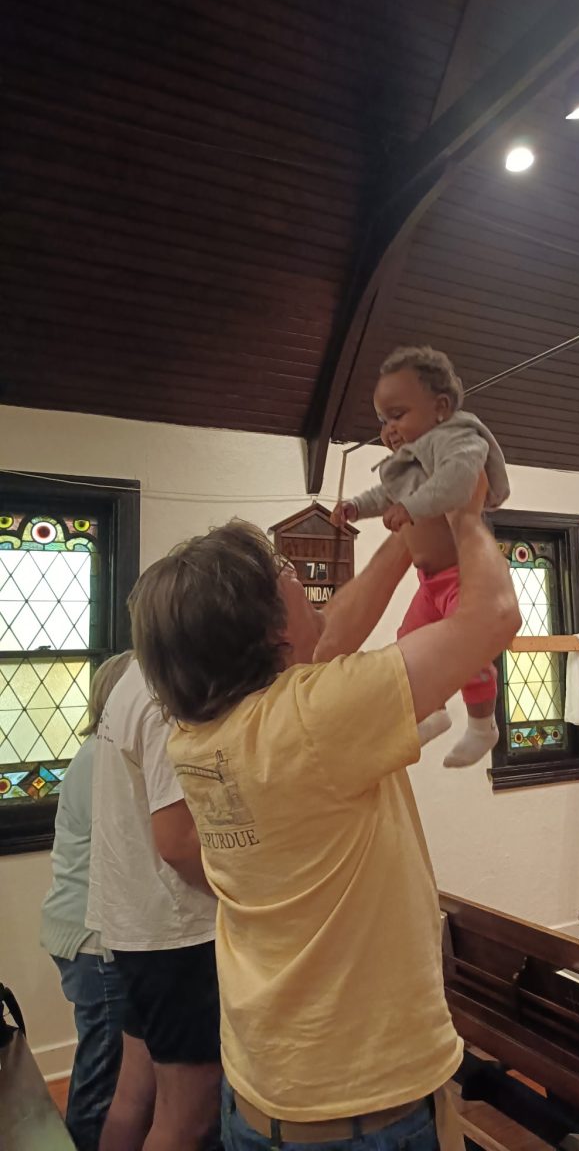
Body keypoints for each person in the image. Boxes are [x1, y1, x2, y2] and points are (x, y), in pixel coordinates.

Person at [127, 492, 519, 1151]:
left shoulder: (202, 734)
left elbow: (324, 637)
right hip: (360, 1109)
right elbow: (494, 613)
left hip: (263, 1088)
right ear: (268, 631)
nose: (302, 582)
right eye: (287, 577)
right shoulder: (313, 718)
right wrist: (462, 508)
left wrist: (404, 537)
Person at [332, 345, 510, 768]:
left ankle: (483, 725)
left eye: (397, 415)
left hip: (461, 576)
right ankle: (431, 712)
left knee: (468, 652)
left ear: (441, 408)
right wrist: (357, 506)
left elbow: (457, 483)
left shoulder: (459, 441)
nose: (388, 429)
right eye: (382, 420)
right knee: (408, 643)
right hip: (429, 582)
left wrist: (410, 508)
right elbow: (387, 492)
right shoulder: (411, 459)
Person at [86, 656, 221, 1151]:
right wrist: (253, 893)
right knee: (186, 1120)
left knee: (136, 1097)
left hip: (143, 926)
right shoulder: (170, 689)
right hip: (177, 932)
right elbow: (179, 843)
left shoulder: (135, 677)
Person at [40, 650, 133, 1151]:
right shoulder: (105, 759)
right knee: (102, 1075)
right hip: (93, 940)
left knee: (103, 1062)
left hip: (80, 930)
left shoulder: (97, 752)